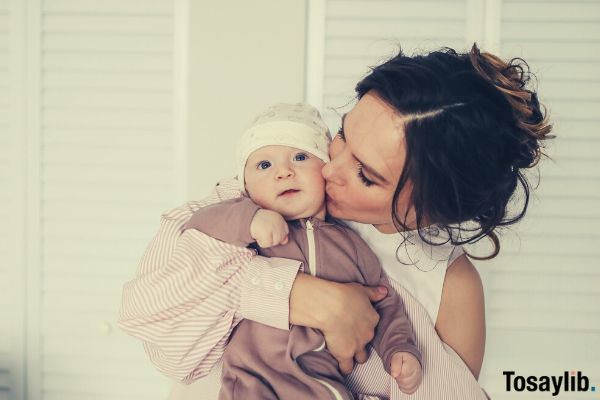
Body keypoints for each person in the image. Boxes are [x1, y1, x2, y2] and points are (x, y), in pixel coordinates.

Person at [118, 43, 552, 400]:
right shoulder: (257, 191)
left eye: (365, 175)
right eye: (341, 134)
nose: (329, 168)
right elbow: (157, 334)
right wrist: (296, 295)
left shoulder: (448, 286)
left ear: (434, 208)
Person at [182, 102, 422, 399]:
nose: (284, 172)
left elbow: (384, 303)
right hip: (250, 379)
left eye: (299, 157)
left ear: (325, 170)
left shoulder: (352, 245)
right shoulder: (245, 224)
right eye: (264, 165)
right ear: (246, 186)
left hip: (318, 384)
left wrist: (399, 349)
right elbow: (196, 228)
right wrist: (250, 219)